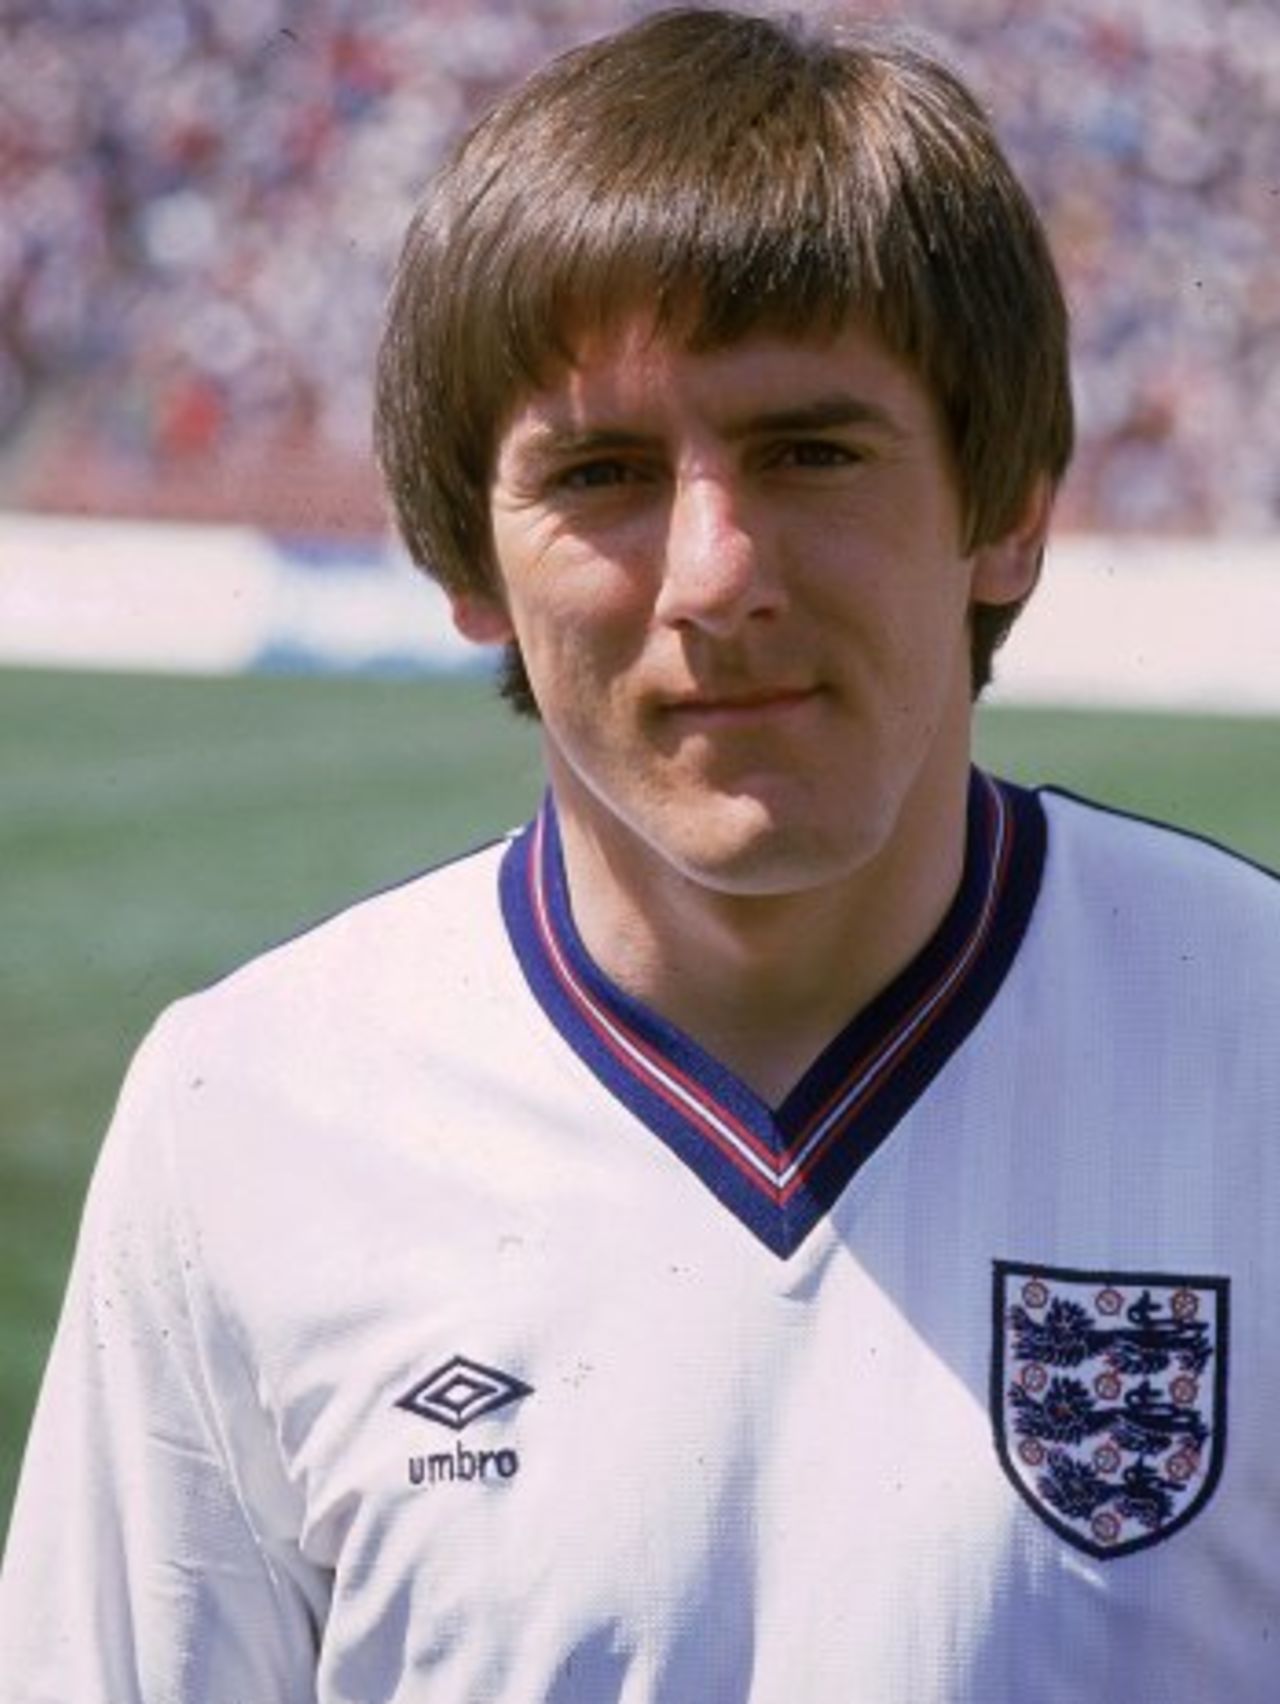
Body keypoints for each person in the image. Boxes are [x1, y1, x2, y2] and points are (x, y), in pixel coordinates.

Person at [3, 7, 1277, 1700]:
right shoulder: (243, 1115)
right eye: (601, 473)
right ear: (467, 563)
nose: (715, 574)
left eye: (809, 451)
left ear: (1011, 503)